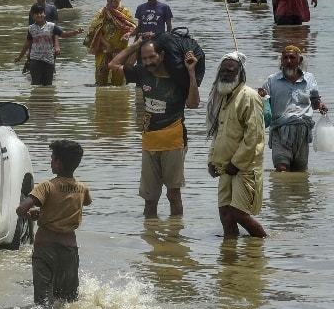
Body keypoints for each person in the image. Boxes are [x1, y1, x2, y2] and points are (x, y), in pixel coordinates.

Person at [108, 39, 200, 217]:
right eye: (145, 58)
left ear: (162, 55)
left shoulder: (178, 77)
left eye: (152, 57)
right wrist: (135, 46)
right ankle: (151, 237)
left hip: (174, 141)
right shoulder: (142, 72)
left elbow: (193, 104)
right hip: (149, 141)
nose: (149, 61)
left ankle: (174, 238)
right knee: (150, 198)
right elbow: (113, 64)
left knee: (173, 195)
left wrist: (191, 72)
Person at [16, 140, 91, 309]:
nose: (50, 162)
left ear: (57, 163)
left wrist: (30, 214)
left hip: (45, 249)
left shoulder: (47, 186)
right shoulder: (82, 189)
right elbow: (82, 204)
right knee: (68, 302)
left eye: (52, 158)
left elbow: (22, 208)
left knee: (43, 304)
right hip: (69, 250)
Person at [206, 52, 267, 238]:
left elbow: (254, 137)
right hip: (225, 166)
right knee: (225, 214)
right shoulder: (223, 97)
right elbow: (218, 134)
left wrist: (236, 163)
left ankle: (262, 244)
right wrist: (211, 160)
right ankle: (229, 258)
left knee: (239, 213)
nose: (225, 74)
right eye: (222, 71)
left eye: (230, 70)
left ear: (240, 72)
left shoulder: (249, 96)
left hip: (245, 167)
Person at [259, 45, 328, 171]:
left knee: (300, 171)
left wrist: (321, 105)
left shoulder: (309, 79)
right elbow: (263, 105)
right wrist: (260, 97)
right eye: (285, 58)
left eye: (292, 57)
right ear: (281, 61)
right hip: (280, 131)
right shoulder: (271, 81)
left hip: (302, 132)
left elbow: (315, 102)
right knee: (281, 169)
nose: (288, 61)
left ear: (299, 60)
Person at [15, 5, 83, 86]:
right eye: (36, 13)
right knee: (35, 84)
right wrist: (20, 57)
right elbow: (27, 44)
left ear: (44, 14)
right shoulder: (31, 28)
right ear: (32, 15)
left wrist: (75, 32)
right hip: (35, 60)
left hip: (49, 60)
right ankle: (35, 98)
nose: (39, 15)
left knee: (48, 85)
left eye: (41, 13)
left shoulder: (51, 26)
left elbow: (63, 34)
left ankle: (47, 98)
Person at [84, 0, 136, 86]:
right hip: (104, 50)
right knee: (100, 80)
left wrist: (128, 35)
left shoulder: (125, 12)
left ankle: (117, 100)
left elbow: (132, 28)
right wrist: (106, 44)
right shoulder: (102, 12)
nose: (113, 0)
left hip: (120, 50)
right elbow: (94, 31)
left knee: (119, 82)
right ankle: (101, 100)